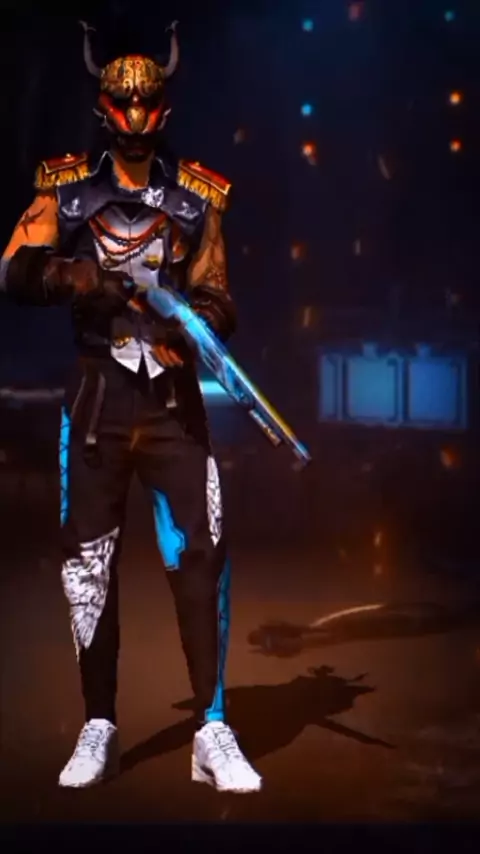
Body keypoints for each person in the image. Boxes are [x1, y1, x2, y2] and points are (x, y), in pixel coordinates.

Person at [0, 21, 262, 794]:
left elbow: (219, 294)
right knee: (88, 565)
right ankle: (98, 724)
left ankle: (212, 728)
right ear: (105, 106)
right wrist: (76, 278)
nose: (138, 115)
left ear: (165, 108)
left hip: (174, 405)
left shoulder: (196, 198)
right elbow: (12, 270)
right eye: (125, 102)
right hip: (97, 406)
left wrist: (194, 320)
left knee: (201, 557)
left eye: (148, 102)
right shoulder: (67, 191)